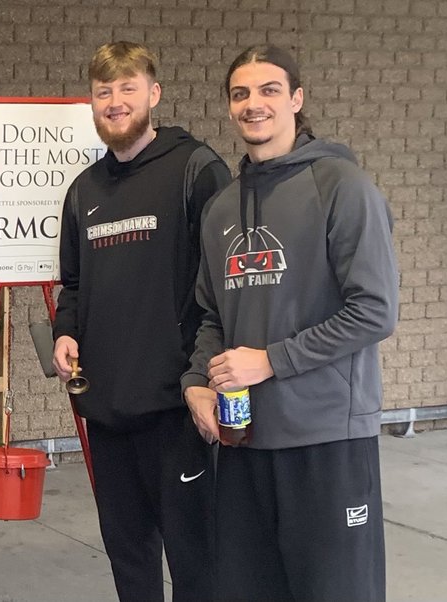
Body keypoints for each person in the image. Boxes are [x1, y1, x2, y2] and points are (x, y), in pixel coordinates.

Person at [182, 44, 398, 602]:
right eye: (241, 93)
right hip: (244, 442)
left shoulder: (343, 187)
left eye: (269, 90)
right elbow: (211, 315)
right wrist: (197, 386)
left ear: (296, 100)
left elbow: (375, 310)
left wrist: (270, 361)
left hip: (327, 440)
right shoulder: (222, 209)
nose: (254, 104)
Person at [50, 42, 231, 602]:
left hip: (177, 409)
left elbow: (224, 288)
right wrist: (64, 330)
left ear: (153, 93)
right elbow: (74, 285)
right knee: (129, 561)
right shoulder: (84, 191)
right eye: (104, 92)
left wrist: (204, 379)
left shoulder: (197, 170)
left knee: (194, 561)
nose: (115, 101)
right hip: (106, 410)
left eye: (128, 88)